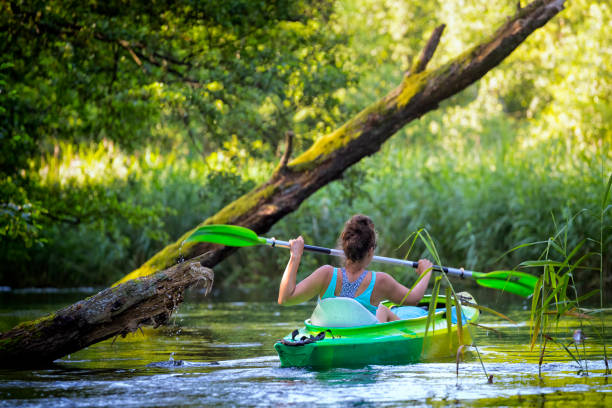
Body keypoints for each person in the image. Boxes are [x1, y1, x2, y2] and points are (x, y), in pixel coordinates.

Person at [277, 214, 433, 322]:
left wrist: (295, 257)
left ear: (344, 245)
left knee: (383, 310)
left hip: (330, 334)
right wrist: (426, 272)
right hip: (362, 340)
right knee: (383, 310)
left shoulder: (325, 274)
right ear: (370, 251)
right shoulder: (380, 281)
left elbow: (285, 299)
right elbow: (413, 299)